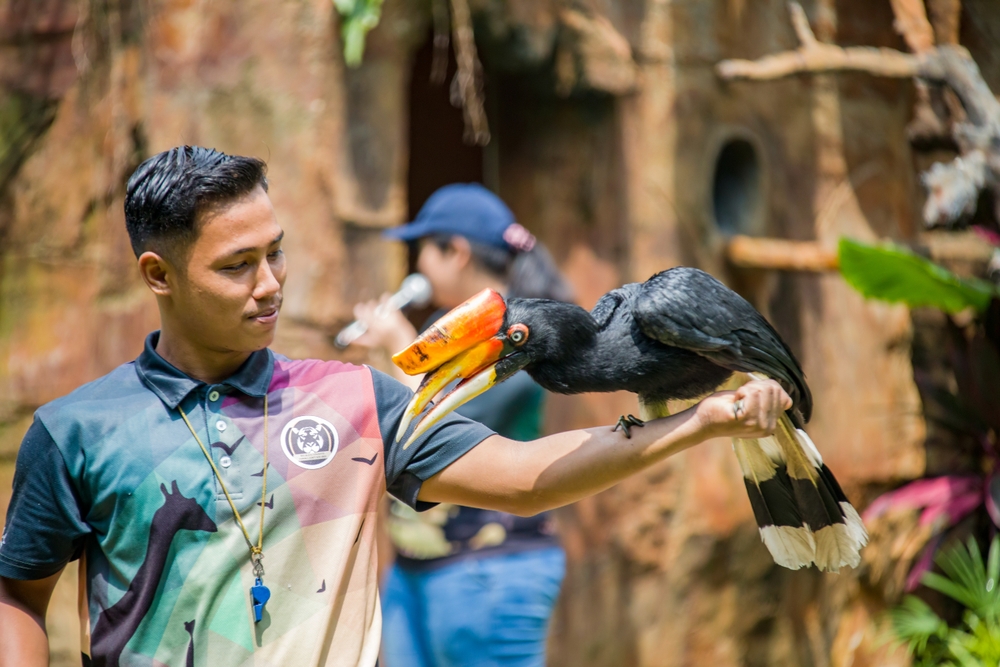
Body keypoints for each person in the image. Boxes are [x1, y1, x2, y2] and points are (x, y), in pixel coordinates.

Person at [0, 147, 793, 667]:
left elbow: (523, 475)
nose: (271, 283)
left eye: (276, 252)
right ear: (158, 274)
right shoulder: (77, 430)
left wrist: (705, 420)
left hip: (492, 570)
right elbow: (17, 596)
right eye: (238, 265)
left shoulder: (353, 395)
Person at [351, 183, 573, 667]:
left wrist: (400, 344)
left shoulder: (520, 335)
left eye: (423, 251)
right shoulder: (447, 327)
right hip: (416, 566)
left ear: (456, 252)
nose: (418, 267)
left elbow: (445, 432)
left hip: (492, 567)